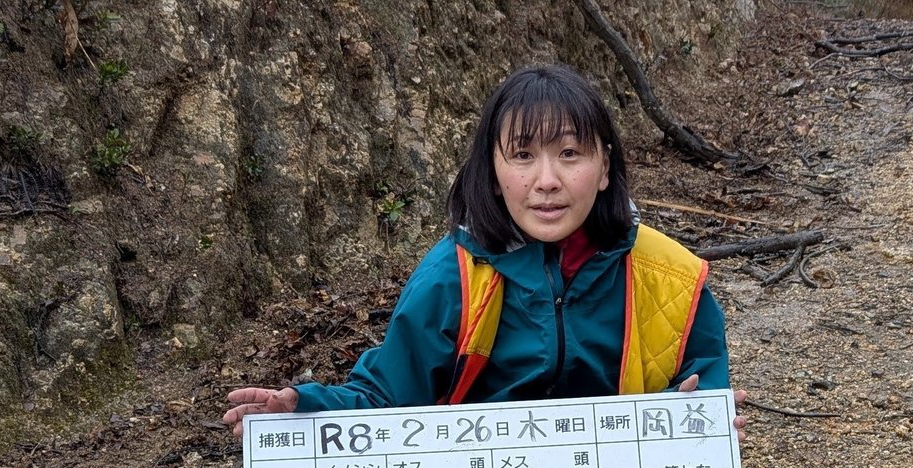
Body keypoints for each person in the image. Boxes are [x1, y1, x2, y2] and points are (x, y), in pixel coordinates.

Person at [224, 64, 746, 437]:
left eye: (569, 154)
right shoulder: (452, 276)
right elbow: (388, 396)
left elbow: (701, 393)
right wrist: (303, 405)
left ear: (605, 167)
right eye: (522, 156)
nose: (546, 181)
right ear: (493, 174)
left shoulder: (671, 276)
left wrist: (708, 424)